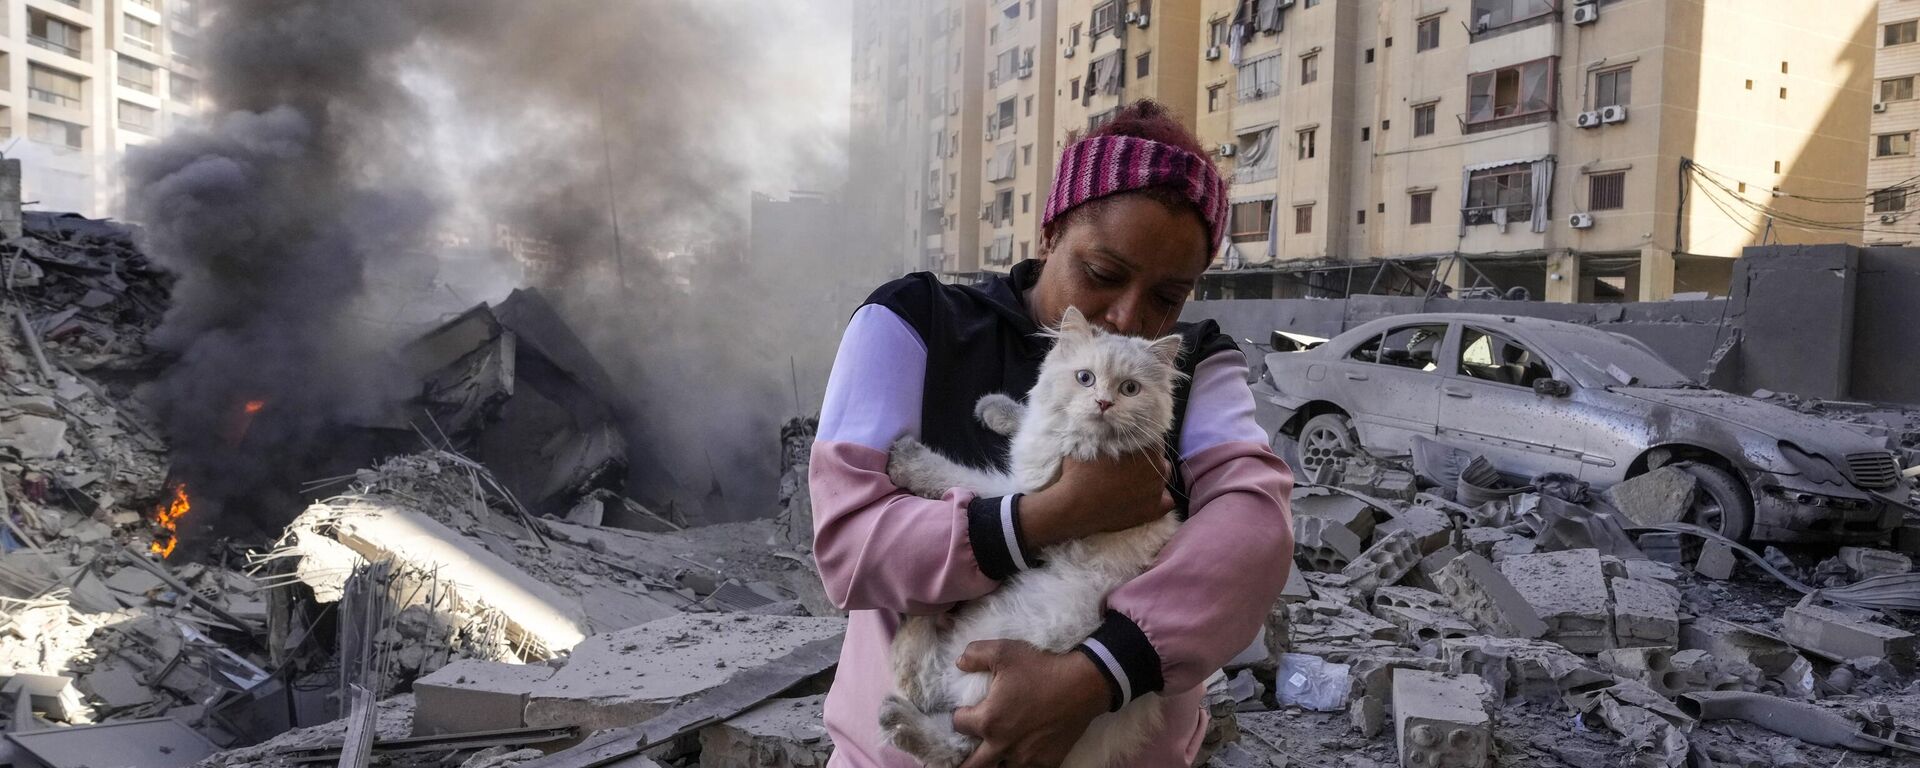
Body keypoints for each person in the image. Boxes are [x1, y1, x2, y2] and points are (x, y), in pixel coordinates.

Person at [810, 100, 1295, 767]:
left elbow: (1255, 532)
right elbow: (848, 547)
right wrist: (1047, 516)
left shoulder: (1193, 366)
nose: (1128, 316)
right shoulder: (915, 322)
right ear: (1050, 233)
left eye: (1167, 297)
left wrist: (1096, 676)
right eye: (1102, 274)